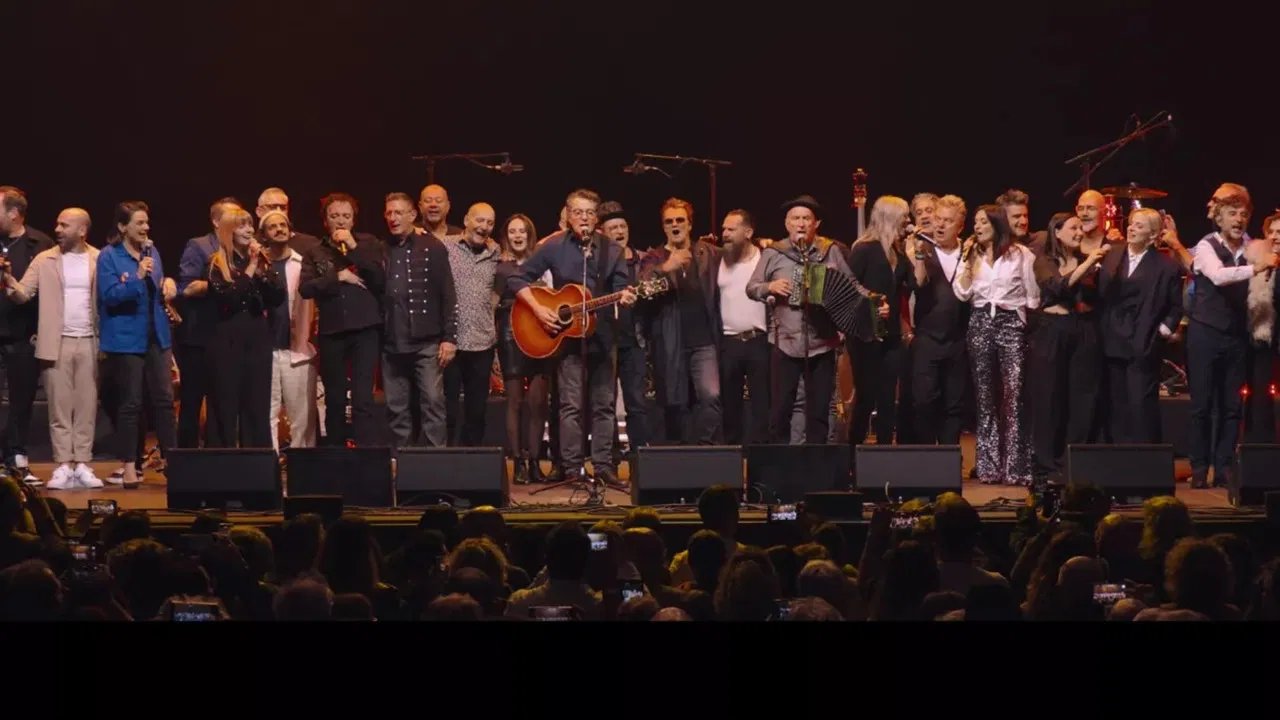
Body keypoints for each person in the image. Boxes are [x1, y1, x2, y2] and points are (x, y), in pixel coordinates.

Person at [510, 189, 636, 487]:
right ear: (567, 214)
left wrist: (627, 297)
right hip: (566, 339)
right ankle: (572, 469)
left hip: (604, 337)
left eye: (590, 213)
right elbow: (516, 278)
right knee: (570, 406)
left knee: (604, 405)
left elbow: (622, 287)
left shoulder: (611, 250)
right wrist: (539, 310)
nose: (584, 218)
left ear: (597, 218)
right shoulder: (553, 246)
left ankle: (604, 466)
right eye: (578, 212)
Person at [746, 195, 865, 444]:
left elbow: (852, 285)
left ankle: (817, 466)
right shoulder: (773, 253)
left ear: (816, 223)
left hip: (822, 342)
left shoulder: (829, 250)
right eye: (795, 219)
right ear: (787, 224)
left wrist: (874, 301)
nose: (801, 224)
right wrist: (770, 286)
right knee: (780, 412)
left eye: (806, 219)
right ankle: (779, 469)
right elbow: (752, 288)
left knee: (819, 412)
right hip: (784, 343)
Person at [4, 208, 103, 489]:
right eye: (57, 223)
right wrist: (10, 281)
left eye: (64, 225)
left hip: (89, 341)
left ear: (82, 230)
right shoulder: (44, 259)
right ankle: (62, 465)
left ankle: (82, 463)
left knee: (85, 407)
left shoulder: (98, 259)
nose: (57, 229)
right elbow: (23, 294)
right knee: (59, 408)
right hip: (55, 342)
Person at [1185, 193, 1275, 488]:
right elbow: (1219, 276)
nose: (1239, 220)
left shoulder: (1253, 247)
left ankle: (1223, 467)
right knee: (1201, 404)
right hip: (1204, 333)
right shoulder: (1206, 246)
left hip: (1235, 335)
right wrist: (1256, 268)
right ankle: (1199, 468)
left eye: (1244, 215)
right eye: (1233, 214)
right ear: (1219, 218)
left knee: (1231, 405)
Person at [953, 205, 1040, 485]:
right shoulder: (971, 255)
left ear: (996, 225)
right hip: (979, 321)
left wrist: (1020, 319)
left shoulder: (1020, 255)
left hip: (1011, 322)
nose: (977, 227)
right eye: (975, 223)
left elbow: (1033, 295)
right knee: (985, 396)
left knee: (1014, 395)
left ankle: (1017, 467)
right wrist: (967, 264)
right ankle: (989, 467)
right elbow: (962, 292)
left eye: (983, 223)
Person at [96, 201, 178, 486]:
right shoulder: (109, 257)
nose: (146, 228)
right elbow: (109, 297)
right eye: (139, 223)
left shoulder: (152, 252)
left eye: (147, 223)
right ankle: (130, 465)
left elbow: (156, 292)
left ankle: (173, 461)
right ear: (122, 227)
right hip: (125, 340)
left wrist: (167, 283)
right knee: (130, 403)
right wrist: (137, 276)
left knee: (165, 401)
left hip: (156, 335)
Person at [299, 193, 385, 447]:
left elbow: (379, 278)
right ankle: (336, 457)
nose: (340, 221)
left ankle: (365, 455)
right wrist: (338, 276)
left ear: (354, 219)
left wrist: (354, 247)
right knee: (335, 399)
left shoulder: (368, 244)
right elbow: (305, 289)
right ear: (325, 221)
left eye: (346, 216)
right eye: (334, 216)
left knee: (362, 398)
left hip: (365, 329)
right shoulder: (315, 251)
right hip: (332, 331)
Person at [1030, 212, 1107, 483]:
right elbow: (1057, 286)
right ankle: (1046, 464)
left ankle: (1072, 459)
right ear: (1057, 232)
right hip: (1052, 331)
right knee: (1050, 397)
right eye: (1073, 228)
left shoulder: (1089, 262)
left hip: (1083, 330)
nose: (1079, 232)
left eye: (1081, 228)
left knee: (1081, 397)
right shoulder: (1045, 260)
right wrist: (1088, 264)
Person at [1096, 208, 1185, 443]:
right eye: (1132, 224)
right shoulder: (1112, 255)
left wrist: (1161, 333)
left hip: (1143, 340)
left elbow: (1176, 306)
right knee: (1116, 403)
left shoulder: (1166, 267)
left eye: (1140, 226)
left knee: (1141, 404)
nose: (1132, 228)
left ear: (1153, 234)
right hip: (1112, 338)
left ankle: (1146, 460)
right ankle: (1117, 458)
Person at [846, 196, 928, 448]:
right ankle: (853, 453)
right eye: (904, 216)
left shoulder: (898, 250)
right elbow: (848, 288)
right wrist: (870, 306)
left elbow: (917, 285)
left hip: (891, 335)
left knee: (887, 396)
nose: (908, 221)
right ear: (891, 217)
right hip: (864, 334)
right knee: (866, 396)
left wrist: (921, 255)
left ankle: (883, 454)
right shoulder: (864, 249)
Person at [640, 198, 722, 445]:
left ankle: (704, 447)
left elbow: (735, 257)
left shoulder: (707, 253)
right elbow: (642, 288)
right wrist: (667, 267)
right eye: (669, 222)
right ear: (664, 227)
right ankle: (682, 455)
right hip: (670, 341)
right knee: (676, 402)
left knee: (711, 395)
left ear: (689, 224)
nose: (675, 225)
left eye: (680, 220)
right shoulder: (654, 257)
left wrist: (762, 244)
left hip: (704, 342)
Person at [380, 192, 456, 449]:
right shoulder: (382, 248)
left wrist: (449, 338)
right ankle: (402, 463)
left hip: (426, 342)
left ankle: (435, 464)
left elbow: (447, 293)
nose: (393, 218)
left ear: (413, 215)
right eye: (389, 213)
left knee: (433, 403)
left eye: (398, 212)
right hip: (392, 342)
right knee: (396, 407)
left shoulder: (432, 247)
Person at [205, 207, 286, 448]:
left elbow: (277, 297)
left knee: (256, 404)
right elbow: (229, 299)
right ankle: (223, 464)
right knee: (226, 404)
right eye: (242, 225)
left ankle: (257, 466)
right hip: (227, 342)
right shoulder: (216, 263)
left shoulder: (260, 261)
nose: (250, 230)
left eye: (250, 225)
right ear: (229, 230)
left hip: (257, 340)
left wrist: (262, 270)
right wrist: (251, 269)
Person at [174, 197, 241, 448]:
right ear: (216, 220)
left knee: (223, 403)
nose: (238, 222)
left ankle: (221, 457)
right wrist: (222, 285)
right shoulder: (199, 246)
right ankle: (186, 459)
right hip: (199, 338)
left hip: (229, 338)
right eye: (231, 216)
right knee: (192, 401)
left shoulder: (241, 249)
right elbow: (186, 287)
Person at [0, 186, 55, 485]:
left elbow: (48, 294)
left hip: (23, 334)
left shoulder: (40, 244)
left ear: (13, 213)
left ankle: (16, 457)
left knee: (22, 399)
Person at [908, 194, 969, 446]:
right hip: (928, 338)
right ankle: (926, 461)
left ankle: (950, 459)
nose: (941, 225)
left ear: (960, 226)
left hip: (958, 339)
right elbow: (919, 283)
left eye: (948, 221)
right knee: (924, 401)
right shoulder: (921, 250)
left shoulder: (968, 251)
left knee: (954, 404)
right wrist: (920, 257)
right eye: (938, 219)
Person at [493, 213, 548, 482]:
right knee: (514, 401)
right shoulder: (500, 266)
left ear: (529, 234)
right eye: (512, 231)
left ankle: (536, 460)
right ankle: (518, 463)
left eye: (522, 231)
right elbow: (491, 304)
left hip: (540, 336)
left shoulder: (542, 263)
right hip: (509, 334)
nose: (517, 236)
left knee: (538, 402)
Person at [260, 210, 318, 451]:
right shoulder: (257, 265)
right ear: (263, 234)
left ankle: (301, 470)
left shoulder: (303, 263)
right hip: (265, 350)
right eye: (273, 227)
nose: (279, 229)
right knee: (266, 415)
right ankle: (269, 470)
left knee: (302, 418)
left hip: (298, 348)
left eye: (283, 225)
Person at [443, 203, 501, 447]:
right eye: (479, 220)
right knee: (447, 410)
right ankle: (444, 463)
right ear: (466, 220)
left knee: (477, 412)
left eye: (489, 223)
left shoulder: (496, 252)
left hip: (482, 343)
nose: (484, 227)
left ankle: (471, 466)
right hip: (450, 343)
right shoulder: (445, 247)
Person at [716, 209, 771, 445]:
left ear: (748, 232)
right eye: (723, 229)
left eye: (731, 229)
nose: (725, 234)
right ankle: (731, 461)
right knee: (730, 407)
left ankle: (762, 462)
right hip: (728, 342)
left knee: (763, 405)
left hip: (759, 341)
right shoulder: (717, 259)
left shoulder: (766, 258)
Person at [1243, 211, 1280, 443]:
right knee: (1256, 395)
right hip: (1258, 337)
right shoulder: (1255, 258)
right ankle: (1254, 447)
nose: (1275, 237)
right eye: (1272, 232)